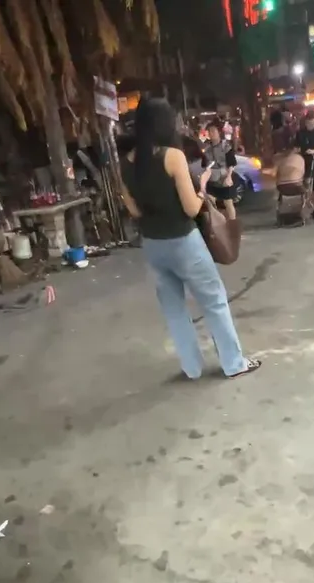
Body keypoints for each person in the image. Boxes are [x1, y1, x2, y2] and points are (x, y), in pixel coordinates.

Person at [120, 98, 261, 379]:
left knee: (173, 309)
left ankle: (191, 368)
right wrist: (201, 190)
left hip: (153, 245)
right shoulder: (172, 156)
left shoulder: (126, 162)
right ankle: (233, 364)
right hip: (183, 242)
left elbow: (134, 211)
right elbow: (191, 208)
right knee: (214, 301)